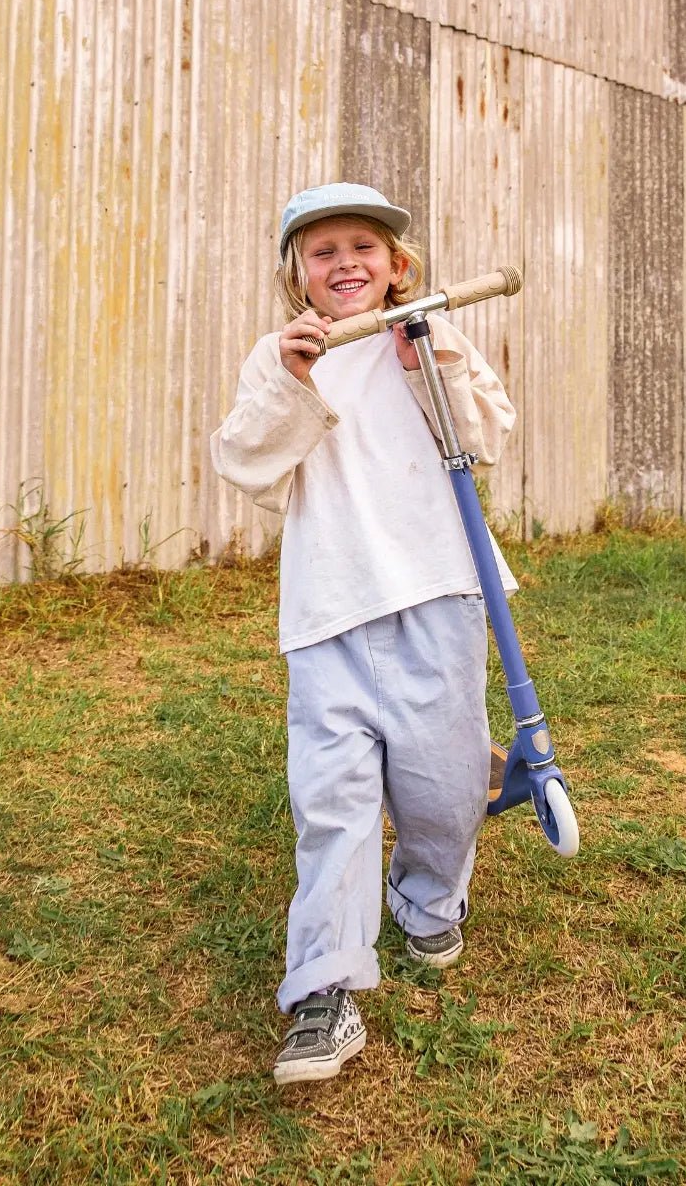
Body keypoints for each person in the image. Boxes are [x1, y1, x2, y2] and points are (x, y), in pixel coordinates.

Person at [210, 182, 518, 1085]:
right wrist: (292, 381)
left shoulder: (428, 332)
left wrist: (430, 356)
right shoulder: (282, 357)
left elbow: (485, 436)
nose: (344, 263)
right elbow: (245, 460)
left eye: (363, 248)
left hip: (436, 587)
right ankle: (324, 989)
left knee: (443, 781)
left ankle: (428, 897)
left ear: (396, 267)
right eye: (322, 252)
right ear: (296, 276)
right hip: (330, 603)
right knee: (332, 795)